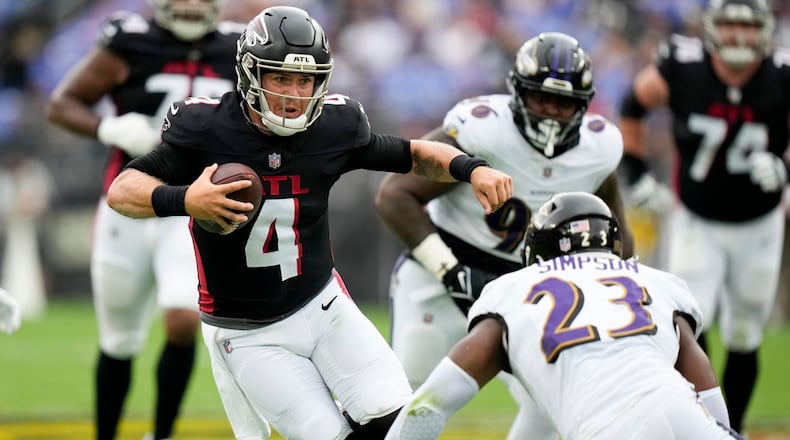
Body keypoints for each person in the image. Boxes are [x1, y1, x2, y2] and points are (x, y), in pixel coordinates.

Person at [105, 6, 513, 440]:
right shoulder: (206, 128)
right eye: (281, 77)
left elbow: (414, 153)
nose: (295, 93)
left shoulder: (333, 127)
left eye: (306, 79)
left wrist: (473, 168)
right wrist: (185, 198)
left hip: (324, 307)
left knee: (399, 425)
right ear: (249, 75)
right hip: (248, 333)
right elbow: (122, 190)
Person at [375, 32, 633, 439]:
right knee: (405, 398)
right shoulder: (481, 130)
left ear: (583, 105)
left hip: (530, 288)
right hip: (441, 272)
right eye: (541, 98)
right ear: (517, 93)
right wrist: (450, 270)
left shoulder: (599, 148)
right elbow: (395, 195)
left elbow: (616, 237)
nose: (551, 112)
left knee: (555, 402)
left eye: (563, 103)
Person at [385, 191, 741, 440]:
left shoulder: (514, 289)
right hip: (683, 411)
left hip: (604, 429)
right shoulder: (656, 282)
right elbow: (705, 384)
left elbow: (430, 405)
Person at [45, 1, 242, 439]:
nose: (191, 5)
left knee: (183, 320)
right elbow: (62, 104)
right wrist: (107, 128)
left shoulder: (238, 47)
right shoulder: (130, 41)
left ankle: (162, 433)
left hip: (191, 207)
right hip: (127, 206)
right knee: (119, 341)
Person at [617, 0, 787, 433]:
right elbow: (633, 103)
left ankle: (737, 427)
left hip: (760, 223)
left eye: (747, 28)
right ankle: (704, 426)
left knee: (746, 332)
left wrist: (785, 167)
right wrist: (635, 174)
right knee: (691, 319)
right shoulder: (685, 67)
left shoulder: (781, 74)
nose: (737, 36)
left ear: (764, 32)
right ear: (711, 28)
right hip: (696, 218)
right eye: (729, 25)